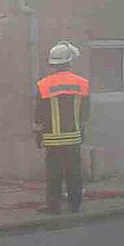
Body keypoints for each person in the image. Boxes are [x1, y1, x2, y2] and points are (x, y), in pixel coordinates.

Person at [34, 41, 90, 214]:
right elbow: (85, 112)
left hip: (51, 138)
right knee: (74, 172)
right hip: (73, 137)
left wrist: (38, 133)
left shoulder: (43, 85)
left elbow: (39, 113)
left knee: (54, 174)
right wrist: (81, 130)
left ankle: (53, 206)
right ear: (69, 61)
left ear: (53, 63)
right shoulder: (82, 83)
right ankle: (75, 205)